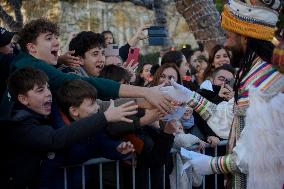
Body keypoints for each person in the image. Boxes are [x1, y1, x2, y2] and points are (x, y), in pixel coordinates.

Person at [161, 1, 284, 189]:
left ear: (244, 37)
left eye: (228, 36)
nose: (225, 44)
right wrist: (190, 96)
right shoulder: (253, 73)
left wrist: (211, 165)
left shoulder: (264, 82)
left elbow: (256, 154)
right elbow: (230, 122)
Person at [0, 18, 172, 119]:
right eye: (48, 38)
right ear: (31, 48)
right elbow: (88, 84)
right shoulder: (33, 67)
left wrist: (58, 59)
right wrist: (145, 94)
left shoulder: (26, 62)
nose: (57, 42)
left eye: (56, 37)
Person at [0, 67, 138, 188]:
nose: (48, 93)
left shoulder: (47, 116)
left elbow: (98, 143)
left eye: (48, 87)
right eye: (40, 90)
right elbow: (55, 139)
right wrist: (105, 117)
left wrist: (117, 149)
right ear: (23, 99)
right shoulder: (19, 124)